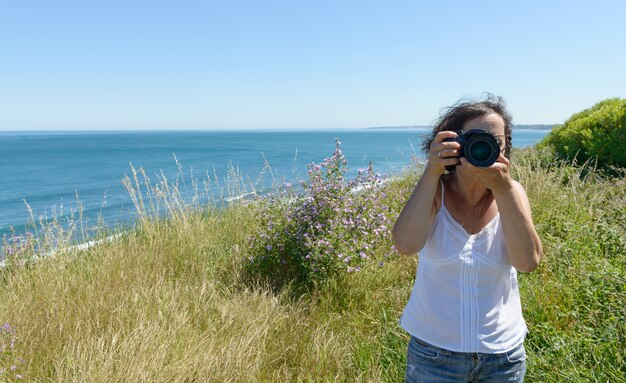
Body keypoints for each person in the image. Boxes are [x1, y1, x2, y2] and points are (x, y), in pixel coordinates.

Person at [392, 95, 542, 382]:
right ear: (453, 141)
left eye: (493, 140)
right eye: (475, 138)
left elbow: (527, 262)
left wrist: (503, 188)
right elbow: (405, 245)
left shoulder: (513, 192)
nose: (483, 146)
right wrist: (431, 171)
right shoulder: (435, 191)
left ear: (505, 146)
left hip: (503, 356)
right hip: (434, 355)